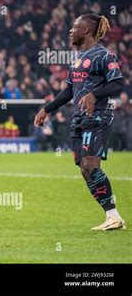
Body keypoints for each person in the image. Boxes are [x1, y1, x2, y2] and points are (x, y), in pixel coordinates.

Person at [34, 14, 126, 231]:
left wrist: (94, 95)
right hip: (78, 120)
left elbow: (118, 83)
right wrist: (47, 109)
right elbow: (68, 91)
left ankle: (114, 217)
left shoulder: (104, 56)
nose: (70, 31)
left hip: (98, 117)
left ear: (86, 30)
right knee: (84, 169)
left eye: (75, 26)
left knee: (90, 165)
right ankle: (112, 216)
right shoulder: (76, 59)